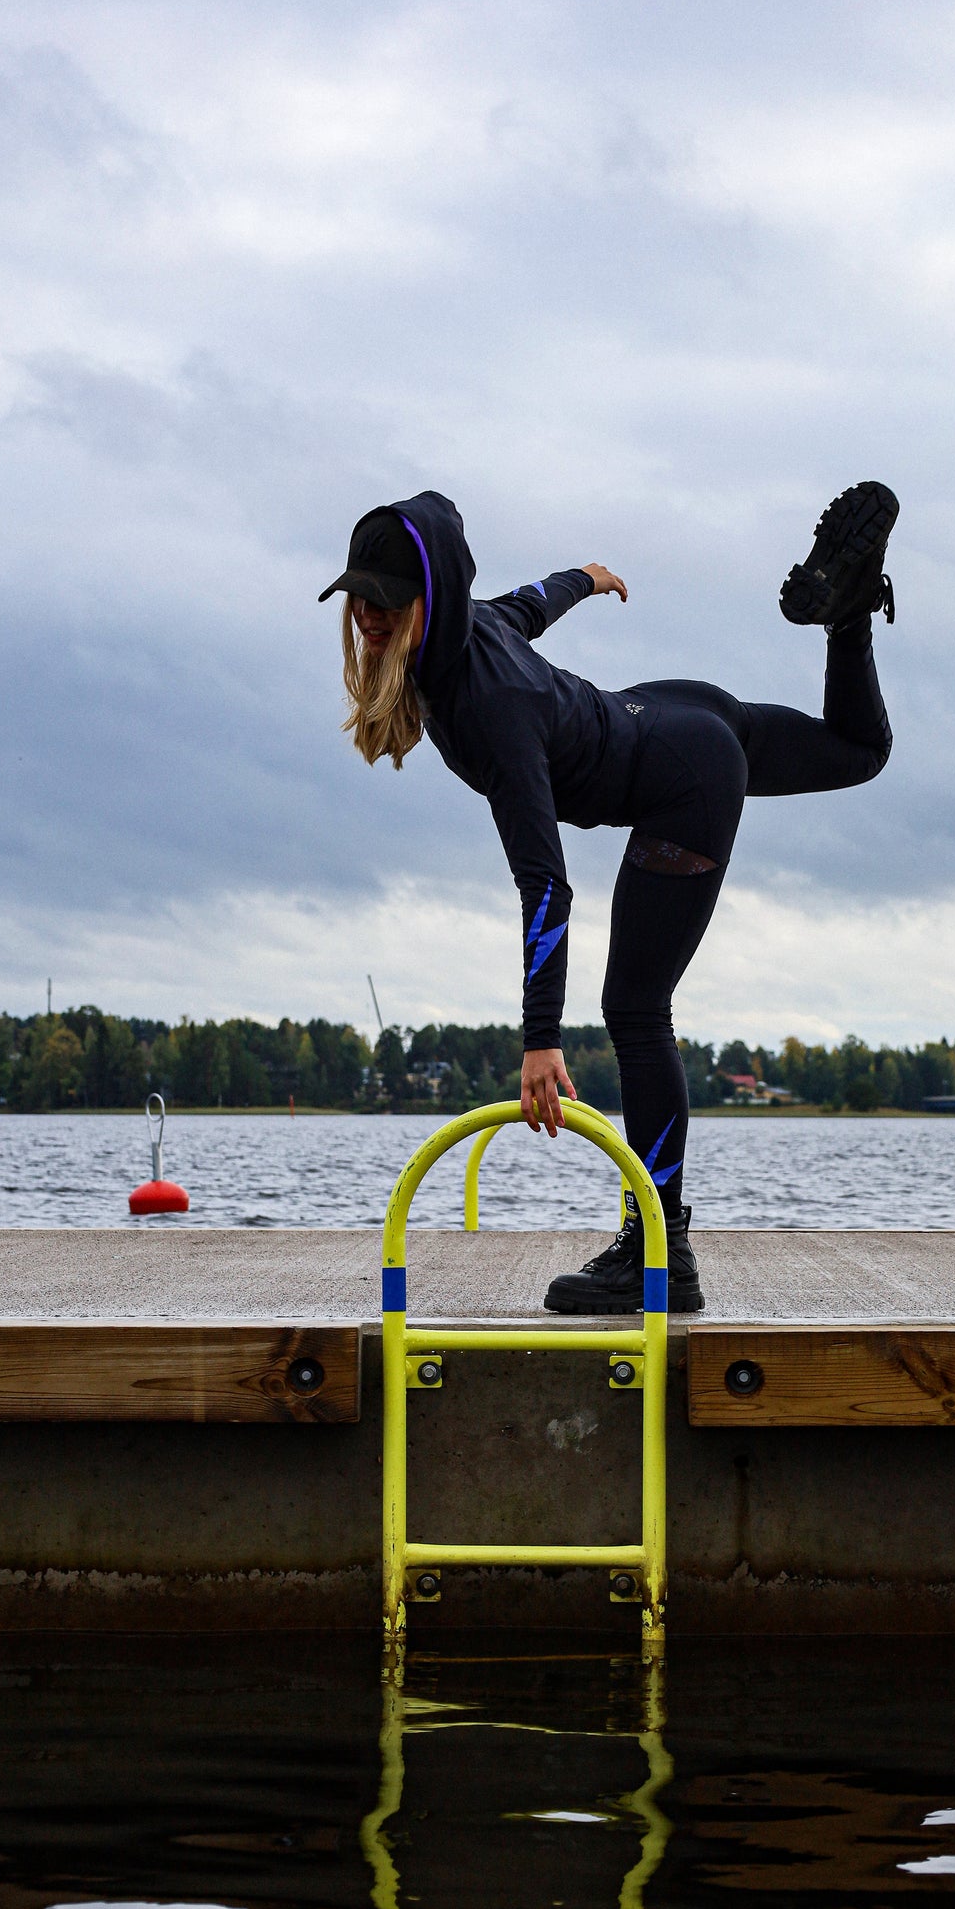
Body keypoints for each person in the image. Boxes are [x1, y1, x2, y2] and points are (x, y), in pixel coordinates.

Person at [319, 482, 897, 1314]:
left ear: (427, 598)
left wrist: (540, 1039)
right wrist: (584, 577)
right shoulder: (469, 627)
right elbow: (529, 603)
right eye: (356, 599)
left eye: (383, 600)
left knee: (633, 1008)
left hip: (681, 778)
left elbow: (545, 878)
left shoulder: (490, 707)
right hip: (676, 715)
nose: (367, 616)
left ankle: (662, 1249)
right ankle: (847, 614)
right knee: (856, 750)